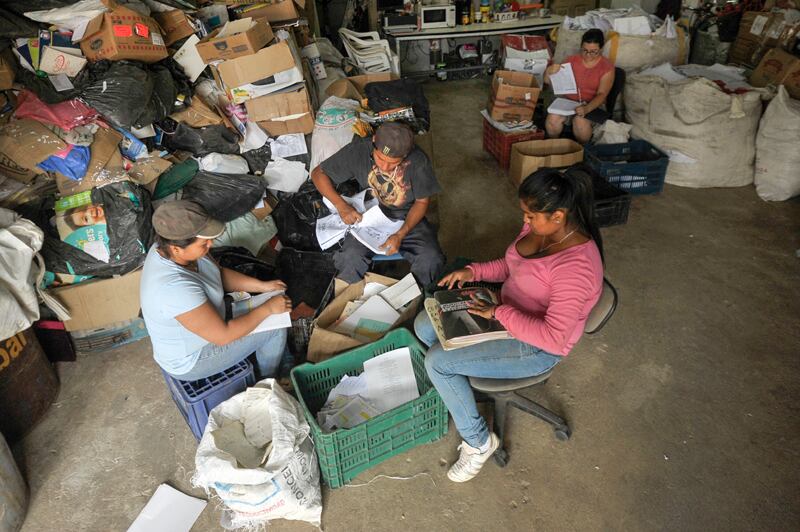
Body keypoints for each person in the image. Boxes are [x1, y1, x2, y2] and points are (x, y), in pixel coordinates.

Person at [414, 165, 604, 482]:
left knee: (438, 362)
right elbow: (513, 265)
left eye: (530, 215)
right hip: (503, 310)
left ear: (558, 216)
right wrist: (473, 272)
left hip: (534, 345)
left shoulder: (576, 268)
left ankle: (478, 442)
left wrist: (498, 312)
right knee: (424, 325)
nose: (525, 221)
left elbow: (553, 338)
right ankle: (457, 384)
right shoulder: (540, 229)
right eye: (524, 214)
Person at [140, 200, 292, 381]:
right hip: (192, 358)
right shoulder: (175, 289)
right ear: (176, 249)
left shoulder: (170, 249)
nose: (210, 245)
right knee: (275, 326)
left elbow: (216, 273)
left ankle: (273, 358)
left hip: (212, 321)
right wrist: (268, 309)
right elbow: (223, 335)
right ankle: (269, 381)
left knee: (274, 302)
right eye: (203, 244)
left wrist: (263, 286)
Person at [310, 121, 445, 286]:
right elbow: (318, 174)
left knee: (431, 259)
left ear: (406, 155)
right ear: (373, 141)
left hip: (406, 218)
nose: (385, 167)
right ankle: (349, 298)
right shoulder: (359, 150)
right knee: (349, 258)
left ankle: (417, 297)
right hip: (368, 216)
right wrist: (341, 205)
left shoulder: (418, 161)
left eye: (393, 163)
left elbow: (422, 202)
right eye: (380, 158)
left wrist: (400, 234)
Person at [544, 29, 615, 144]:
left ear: (601, 49)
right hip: (569, 103)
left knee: (580, 122)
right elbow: (547, 82)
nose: (588, 55)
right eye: (585, 50)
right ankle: (554, 146)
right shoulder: (571, 60)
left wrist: (587, 108)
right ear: (581, 47)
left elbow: (602, 94)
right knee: (552, 119)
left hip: (593, 105)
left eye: (594, 52)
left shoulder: (606, 67)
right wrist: (549, 71)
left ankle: (582, 149)